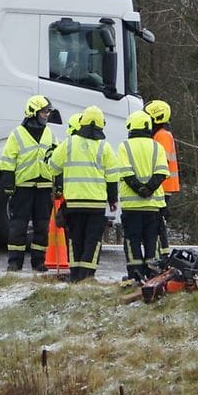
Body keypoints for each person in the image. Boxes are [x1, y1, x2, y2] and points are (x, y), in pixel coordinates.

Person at [46, 105, 119, 282]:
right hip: (96, 204)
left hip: (74, 203)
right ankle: (87, 276)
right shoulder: (104, 147)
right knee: (92, 241)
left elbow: (53, 167)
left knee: (75, 239)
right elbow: (112, 176)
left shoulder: (69, 143)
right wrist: (112, 199)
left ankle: (75, 275)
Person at [0, 95, 58, 272]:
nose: (47, 115)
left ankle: (38, 262)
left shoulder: (49, 133)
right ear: (33, 112)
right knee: (18, 225)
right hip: (23, 187)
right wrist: (8, 183)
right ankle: (15, 262)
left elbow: (57, 158)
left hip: (44, 187)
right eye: (44, 112)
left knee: (42, 226)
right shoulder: (17, 134)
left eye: (48, 112)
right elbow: (7, 160)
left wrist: (58, 182)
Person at [116, 110, 169, 282]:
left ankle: (135, 274)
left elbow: (126, 173)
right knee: (152, 240)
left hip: (132, 206)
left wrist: (139, 189)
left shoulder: (124, 147)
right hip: (153, 205)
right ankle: (152, 273)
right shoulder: (157, 146)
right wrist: (149, 189)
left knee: (132, 240)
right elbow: (161, 173)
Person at [143, 99, 180, 259]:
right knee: (157, 224)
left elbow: (160, 163)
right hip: (161, 186)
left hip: (162, 186)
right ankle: (161, 256)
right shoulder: (159, 134)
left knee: (157, 224)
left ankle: (162, 257)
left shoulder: (163, 136)